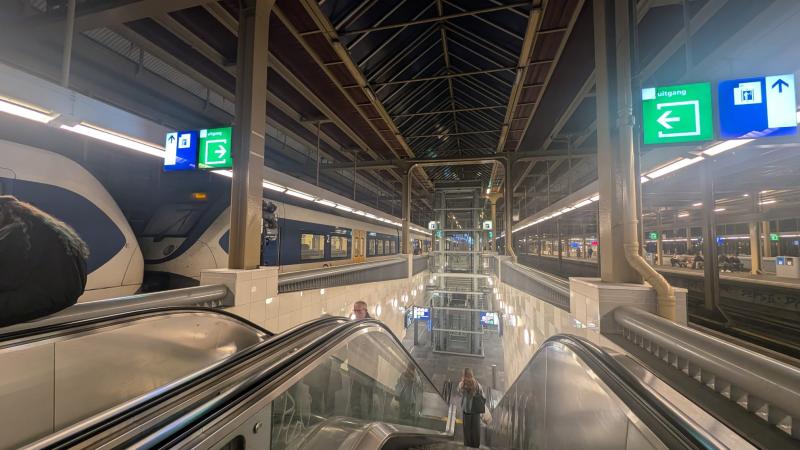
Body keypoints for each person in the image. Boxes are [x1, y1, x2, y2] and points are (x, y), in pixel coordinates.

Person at [0, 196, 88, 327]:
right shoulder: (45, 226)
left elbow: (7, 278)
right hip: (64, 295)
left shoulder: (18, 233)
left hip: (44, 297)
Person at [458, 368, 485, 448]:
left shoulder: (462, 385)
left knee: (467, 430)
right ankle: (476, 446)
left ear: (464, 376)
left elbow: (459, 392)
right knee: (476, 430)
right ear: (472, 375)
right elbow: (483, 397)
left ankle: (467, 445)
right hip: (476, 411)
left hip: (466, 410)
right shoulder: (477, 385)